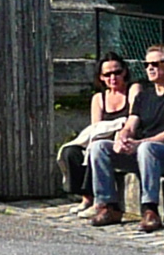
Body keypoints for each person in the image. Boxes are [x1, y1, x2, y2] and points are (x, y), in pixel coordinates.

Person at [92, 44, 164, 231]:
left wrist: (139, 144)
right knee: (99, 147)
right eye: (147, 64)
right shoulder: (143, 96)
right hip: (141, 152)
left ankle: (150, 210)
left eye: (156, 64)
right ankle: (109, 206)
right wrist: (122, 138)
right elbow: (131, 125)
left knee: (147, 149)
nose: (150, 68)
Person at [57, 57, 135, 216]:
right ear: (101, 77)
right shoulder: (99, 98)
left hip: (123, 138)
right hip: (103, 136)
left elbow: (134, 119)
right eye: (107, 75)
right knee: (70, 151)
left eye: (117, 72)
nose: (113, 78)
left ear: (125, 72)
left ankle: (94, 199)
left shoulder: (133, 90)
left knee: (97, 149)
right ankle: (85, 197)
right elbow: (96, 127)